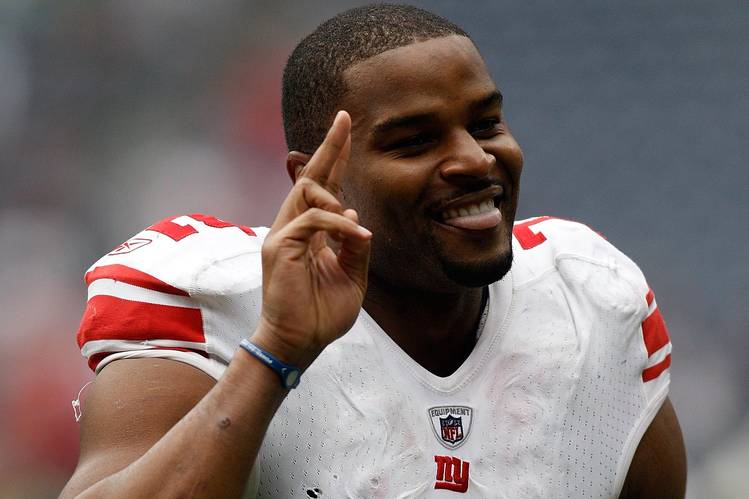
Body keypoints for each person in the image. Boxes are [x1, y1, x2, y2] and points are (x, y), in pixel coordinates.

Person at [61, 4, 686, 498]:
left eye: (487, 123)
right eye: (415, 142)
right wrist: (275, 351)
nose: (474, 158)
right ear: (319, 182)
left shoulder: (591, 303)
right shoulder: (212, 301)